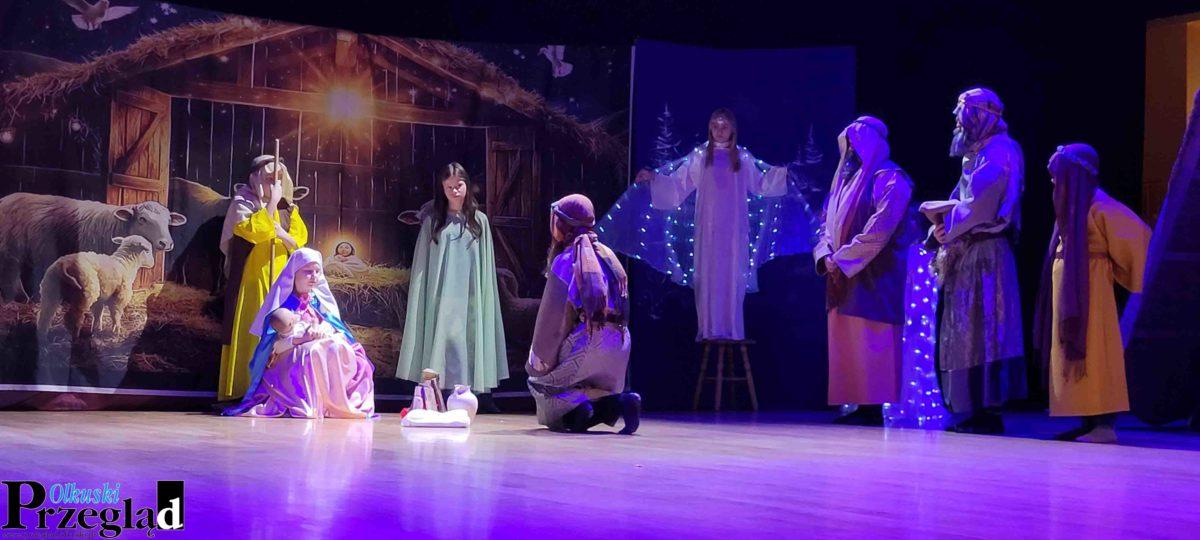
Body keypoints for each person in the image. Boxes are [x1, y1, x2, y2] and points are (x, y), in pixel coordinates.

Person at [626, 108, 795, 340]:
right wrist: (654, 177)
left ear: (732, 129)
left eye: (724, 126)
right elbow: (678, 184)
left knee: (732, 275)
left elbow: (761, 184)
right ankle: (709, 328)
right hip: (708, 229)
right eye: (715, 126)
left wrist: (783, 175)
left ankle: (732, 329)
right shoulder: (701, 156)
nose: (719, 130)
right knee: (709, 275)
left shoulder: (742, 158)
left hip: (734, 229)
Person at [920, 88, 1026, 434]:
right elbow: (960, 197)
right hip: (968, 252)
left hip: (985, 253)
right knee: (966, 330)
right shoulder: (978, 153)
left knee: (985, 328)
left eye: (962, 114)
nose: (957, 121)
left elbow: (980, 205)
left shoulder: (1000, 151)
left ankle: (987, 409)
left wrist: (943, 221)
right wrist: (939, 228)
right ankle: (971, 407)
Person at [1033, 144, 1151, 443]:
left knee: (1096, 350)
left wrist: (1125, 272)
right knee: (1071, 349)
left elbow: (1139, 239)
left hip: (1092, 293)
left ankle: (1104, 424)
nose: (1053, 181)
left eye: (1059, 175)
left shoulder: (1101, 206)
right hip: (1070, 291)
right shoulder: (1073, 207)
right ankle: (1087, 421)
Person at [813, 116, 916, 425]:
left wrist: (843, 259)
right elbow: (824, 224)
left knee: (872, 339)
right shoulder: (843, 183)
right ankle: (858, 404)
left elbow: (880, 229)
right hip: (842, 272)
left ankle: (872, 407)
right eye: (848, 146)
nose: (851, 152)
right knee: (848, 341)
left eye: (856, 145)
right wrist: (826, 256)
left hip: (874, 275)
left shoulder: (890, 178)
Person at [526, 194, 641, 434]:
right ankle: (621, 402)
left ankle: (577, 412)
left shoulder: (565, 260)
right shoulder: (608, 256)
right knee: (596, 386)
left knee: (542, 387)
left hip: (588, 340)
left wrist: (538, 363)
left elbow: (553, 324)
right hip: (620, 345)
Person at [396, 163, 508, 402]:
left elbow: (484, 264)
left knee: (467, 340)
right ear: (442, 189)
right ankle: (438, 394)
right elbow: (423, 265)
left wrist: (480, 295)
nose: (455, 191)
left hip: (469, 296)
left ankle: (469, 395)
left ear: (467, 185)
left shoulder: (480, 221)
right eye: (449, 187)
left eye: (459, 185)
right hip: (441, 296)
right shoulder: (433, 222)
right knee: (442, 342)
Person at [224, 248, 375, 419]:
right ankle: (317, 402)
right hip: (290, 356)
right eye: (308, 271)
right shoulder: (283, 305)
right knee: (314, 351)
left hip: (322, 343)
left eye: (317, 271)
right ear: (293, 274)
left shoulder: (317, 302)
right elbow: (274, 347)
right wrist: (302, 338)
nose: (314, 277)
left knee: (344, 349)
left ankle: (334, 403)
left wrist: (325, 329)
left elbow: (333, 324)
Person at [217, 155, 308, 401]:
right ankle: (247, 389)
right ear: (257, 179)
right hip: (254, 275)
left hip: (283, 278)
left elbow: (299, 242)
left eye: (279, 179)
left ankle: (279, 391)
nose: (274, 183)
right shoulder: (243, 202)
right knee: (255, 327)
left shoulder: (289, 208)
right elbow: (253, 232)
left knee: (283, 328)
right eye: (269, 178)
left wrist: (282, 233)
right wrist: (272, 203)